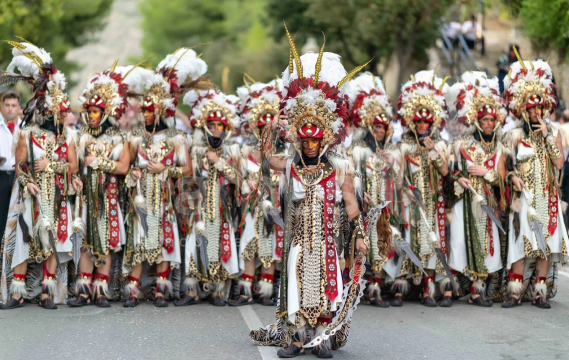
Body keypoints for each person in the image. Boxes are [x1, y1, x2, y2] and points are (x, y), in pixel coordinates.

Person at [250, 28, 369, 358]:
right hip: (298, 239)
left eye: (315, 141)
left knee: (327, 286)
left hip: (329, 239)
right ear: (299, 141)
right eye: (305, 141)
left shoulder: (340, 167)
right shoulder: (289, 163)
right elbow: (268, 158)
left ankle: (319, 338)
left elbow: (351, 205)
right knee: (296, 286)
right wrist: (275, 125)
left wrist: (359, 237)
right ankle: (297, 339)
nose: (310, 145)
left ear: (325, 140)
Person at [0, 41, 82, 309]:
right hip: (31, 195)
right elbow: (21, 165)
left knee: (56, 241)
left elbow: (73, 167)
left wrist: (51, 166)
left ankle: (47, 292)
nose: (57, 115)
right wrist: (28, 182)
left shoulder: (68, 136)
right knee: (24, 242)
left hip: (57, 195)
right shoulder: (26, 134)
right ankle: (18, 291)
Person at [67, 64, 152, 307]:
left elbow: (124, 167)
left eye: (96, 111)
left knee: (106, 241)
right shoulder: (78, 136)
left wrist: (100, 162)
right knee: (85, 242)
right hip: (85, 198)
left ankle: (100, 290)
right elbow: (73, 165)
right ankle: (83, 290)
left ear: (105, 113)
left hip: (110, 197)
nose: (92, 115)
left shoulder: (119, 138)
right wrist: (75, 175)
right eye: (89, 111)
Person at [123, 48, 201, 308]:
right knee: (140, 240)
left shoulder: (176, 139)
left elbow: (188, 170)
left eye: (149, 111)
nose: (144, 115)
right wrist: (135, 172)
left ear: (159, 112)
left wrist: (164, 171)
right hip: (141, 198)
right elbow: (128, 165)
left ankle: (161, 289)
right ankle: (133, 289)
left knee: (165, 241)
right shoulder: (134, 137)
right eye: (143, 110)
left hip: (165, 200)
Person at [502, 57, 568, 309]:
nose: (534, 112)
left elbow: (559, 163)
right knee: (520, 245)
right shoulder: (513, 135)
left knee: (546, 245)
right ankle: (515, 293)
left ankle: (540, 292)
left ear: (545, 108)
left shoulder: (556, 133)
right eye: (530, 108)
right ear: (522, 109)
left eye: (538, 108)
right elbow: (504, 170)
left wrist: (548, 136)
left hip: (548, 197)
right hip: (523, 200)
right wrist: (513, 178)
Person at [446, 72, 507, 307]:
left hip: (486, 204)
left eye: (492, 120)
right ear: (477, 122)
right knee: (459, 243)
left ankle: (476, 291)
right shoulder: (462, 145)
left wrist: (485, 173)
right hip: (464, 202)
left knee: (484, 245)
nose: (489, 123)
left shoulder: (500, 148)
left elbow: (501, 178)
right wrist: (459, 179)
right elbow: (451, 173)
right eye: (485, 120)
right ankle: (451, 289)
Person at [179, 88, 243, 306]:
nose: (216, 130)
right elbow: (188, 176)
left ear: (226, 128)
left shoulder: (233, 150)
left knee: (221, 244)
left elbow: (237, 179)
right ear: (205, 127)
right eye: (212, 125)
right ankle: (192, 291)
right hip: (199, 206)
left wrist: (218, 161)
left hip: (223, 208)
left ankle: (218, 291)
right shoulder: (195, 150)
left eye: (220, 126)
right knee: (193, 243)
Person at [395, 70, 452, 307]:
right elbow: (395, 177)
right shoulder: (403, 145)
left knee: (431, 243)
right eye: (417, 121)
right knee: (406, 241)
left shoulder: (440, 144)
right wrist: (403, 191)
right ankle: (399, 288)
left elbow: (446, 173)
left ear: (433, 122)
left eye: (425, 121)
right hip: (410, 204)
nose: (421, 125)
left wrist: (432, 153)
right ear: (411, 121)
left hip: (432, 203)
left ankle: (428, 289)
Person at [345, 72, 402, 308]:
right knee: (364, 246)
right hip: (365, 207)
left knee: (384, 244)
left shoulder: (392, 151)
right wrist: (361, 194)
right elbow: (350, 175)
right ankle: (366, 288)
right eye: (376, 127)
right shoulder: (357, 150)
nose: (380, 131)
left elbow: (399, 184)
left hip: (386, 207)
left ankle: (378, 285)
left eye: (383, 127)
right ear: (369, 127)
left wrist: (393, 165)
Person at [230, 79, 283, 306]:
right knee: (250, 247)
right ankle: (246, 290)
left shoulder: (284, 154)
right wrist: (245, 184)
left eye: (270, 130)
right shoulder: (246, 152)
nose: (267, 133)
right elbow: (234, 176)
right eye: (263, 129)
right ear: (257, 129)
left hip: (274, 209)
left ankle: (266, 291)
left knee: (269, 248)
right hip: (251, 208)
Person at [0, 91, 21, 241]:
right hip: (1, 176)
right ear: (2, 106)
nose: (10, 109)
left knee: (18, 218)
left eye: (13, 105)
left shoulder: (25, 127)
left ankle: (15, 258)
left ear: (18, 107)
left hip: (19, 176)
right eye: (7, 105)